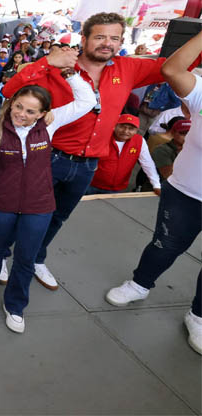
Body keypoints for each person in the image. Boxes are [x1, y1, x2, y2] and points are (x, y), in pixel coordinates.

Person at [2, 13, 172, 291]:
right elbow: (10, 90)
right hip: (49, 158)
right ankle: (2, 255)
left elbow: (179, 64)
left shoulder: (129, 68)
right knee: (24, 211)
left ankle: (35, 257)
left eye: (115, 38)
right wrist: (45, 62)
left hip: (88, 165)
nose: (107, 43)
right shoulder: (57, 67)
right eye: (100, 37)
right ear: (84, 39)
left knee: (59, 216)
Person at [105, 29, 202, 354]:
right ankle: (139, 284)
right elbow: (172, 70)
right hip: (187, 193)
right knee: (164, 245)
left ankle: (199, 316)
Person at [0, 72, 94, 333]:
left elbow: (86, 101)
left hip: (39, 205)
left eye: (31, 111)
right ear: (12, 102)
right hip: (2, 201)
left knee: (26, 258)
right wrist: (46, 64)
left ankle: (15, 305)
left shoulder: (49, 124)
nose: (22, 114)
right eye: (19, 106)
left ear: (42, 114)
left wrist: (71, 74)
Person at [86, 114, 161, 195]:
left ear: (136, 131)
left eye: (131, 129)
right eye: (122, 126)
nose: (125, 131)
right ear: (115, 126)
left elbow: (147, 163)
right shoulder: (103, 137)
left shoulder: (139, 141)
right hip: (91, 184)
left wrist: (156, 184)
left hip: (116, 189)